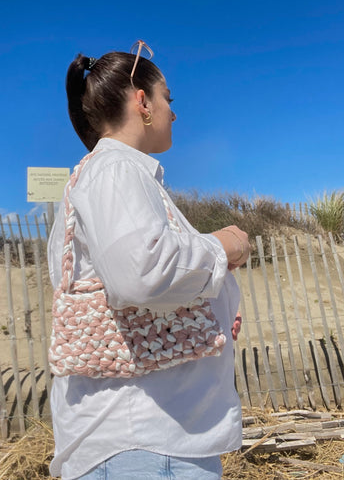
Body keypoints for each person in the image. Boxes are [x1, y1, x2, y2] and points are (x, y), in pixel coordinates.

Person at [47, 41, 250, 479]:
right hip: (143, 444)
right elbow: (141, 274)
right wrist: (222, 247)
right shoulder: (115, 170)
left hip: (153, 443)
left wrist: (214, 311)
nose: (173, 112)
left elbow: (137, 280)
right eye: (167, 99)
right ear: (142, 101)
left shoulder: (115, 175)